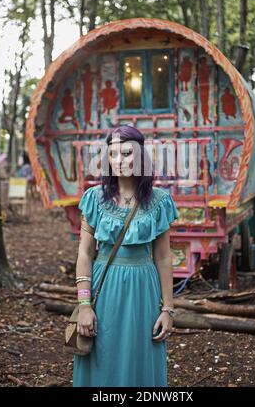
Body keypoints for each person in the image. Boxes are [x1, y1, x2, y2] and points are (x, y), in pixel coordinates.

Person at [73, 125, 179, 387]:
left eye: (127, 153)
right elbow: (85, 255)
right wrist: (85, 306)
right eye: (113, 155)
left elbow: (164, 258)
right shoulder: (94, 199)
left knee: (140, 358)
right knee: (102, 358)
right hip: (104, 289)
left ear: (141, 155)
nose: (119, 161)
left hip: (144, 291)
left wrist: (168, 309)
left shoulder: (159, 201)